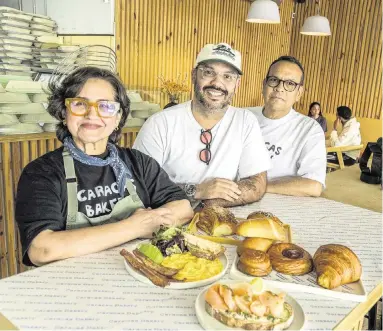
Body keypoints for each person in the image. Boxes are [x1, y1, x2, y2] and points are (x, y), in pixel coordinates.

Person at [15, 67, 193, 267]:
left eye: (105, 106)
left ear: (118, 118)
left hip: (139, 274)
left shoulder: (138, 162)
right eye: (80, 104)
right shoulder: (41, 173)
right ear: (65, 113)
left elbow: (183, 208)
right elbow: (42, 249)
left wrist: (151, 222)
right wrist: (134, 227)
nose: (92, 114)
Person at [133, 43, 270, 208]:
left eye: (228, 76)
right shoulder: (159, 124)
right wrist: (195, 190)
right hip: (168, 222)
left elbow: (257, 184)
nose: (217, 83)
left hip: (220, 219)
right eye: (208, 72)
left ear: (237, 84)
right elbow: (138, 187)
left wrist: (206, 205)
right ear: (193, 75)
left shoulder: (245, 121)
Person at [251, 56, 326, 197]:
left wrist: (255, 187)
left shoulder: (309, 130)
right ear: (264, 85)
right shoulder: (243, 117)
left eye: (290, 83)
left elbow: (313, 186)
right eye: (274, 80)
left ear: (299, 93)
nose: (279, 88)